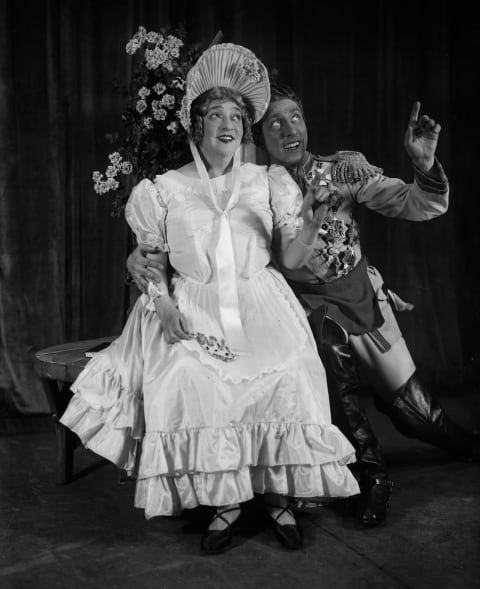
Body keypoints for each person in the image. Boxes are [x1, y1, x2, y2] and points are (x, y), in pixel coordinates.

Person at [128, 82, 480, 528]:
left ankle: (467, 445)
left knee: (414, 410)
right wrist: (139, 255)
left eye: (295, 116)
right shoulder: (248, 178)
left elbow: (419, 204)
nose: (288, 128)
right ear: (259, 135)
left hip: (359, 300)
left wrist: (424, 164)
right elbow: (198, 230)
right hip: (298, 311)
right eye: (273, 122)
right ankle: (371, 479)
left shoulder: (344, 171)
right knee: (319, 365)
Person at [60, 44, 360, 555]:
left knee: (289, 370)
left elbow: (290, 260)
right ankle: (225, 501)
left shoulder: (268, 181)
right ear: (196, 126)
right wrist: (164, 302)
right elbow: (150, 259)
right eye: (216, 115)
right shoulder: (162, 190)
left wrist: (310, 220)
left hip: (260, 302)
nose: (228, 124)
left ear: (246, 128)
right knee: (190, 377)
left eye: (237, 117)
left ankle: (279, 496)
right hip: (193, 303)